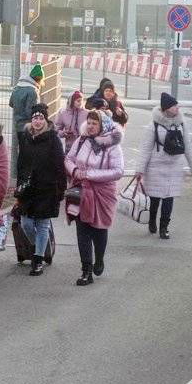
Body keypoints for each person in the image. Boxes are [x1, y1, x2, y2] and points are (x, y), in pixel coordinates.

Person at [64, 111, 125, 286]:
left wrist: (90, 174)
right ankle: (86, 271)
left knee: (99, 229)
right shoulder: (81, 140)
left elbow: (118, 171)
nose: (90, 126)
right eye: (89, 123)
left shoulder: (112, 146)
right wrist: (75, 170)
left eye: (94, 123)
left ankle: (99, 259)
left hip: (103, 193)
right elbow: (68, 159)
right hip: (81, 191)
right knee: (82, 230)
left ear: (102, 126)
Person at [135, 93, 192, 240]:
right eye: (174, 105)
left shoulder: (181, 124)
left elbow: (188, 146)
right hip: (156, 167)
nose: (177, 107)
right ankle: (152, 220)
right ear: (166, 108)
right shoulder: (154, 125)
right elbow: (145, 149)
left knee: (169, 198)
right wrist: (140, 170)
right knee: (155, 198)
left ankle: (164, 227)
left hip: (174, 167)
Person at [16, 103, 66, 276]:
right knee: (26, 223)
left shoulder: (53, 138)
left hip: (47, 187)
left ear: (45, 120)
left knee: (42, 224)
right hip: (28, 189)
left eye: (40, 118)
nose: (37, 121)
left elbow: (60, 164)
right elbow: (21, 163)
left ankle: (38, 259)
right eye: (35, 118)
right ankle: (39, 246)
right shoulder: (25, 137)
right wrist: (19, 184)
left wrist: (61, 188)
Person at [9, 63, 43, 144]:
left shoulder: (17, 88)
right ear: (39, 79)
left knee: (22, 148)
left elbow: (11, 103)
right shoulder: (33, 91)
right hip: (29, 128)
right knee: (29, 149)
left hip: (17, 125)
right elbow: (31, 112)